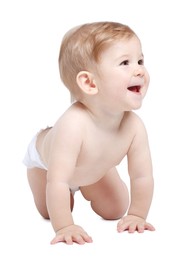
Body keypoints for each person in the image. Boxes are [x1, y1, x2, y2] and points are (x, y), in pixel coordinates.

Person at [23, 21, 155, 245]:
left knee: (116, 209)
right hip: (48, 167)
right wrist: (65, 226)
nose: (139, 70)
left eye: (140, 60)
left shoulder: (134, 126)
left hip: (92, 167)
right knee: (51, 210)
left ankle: (86, 183)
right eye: (125, 62)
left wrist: (137, 214)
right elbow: (58, 181)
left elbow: (141, 176)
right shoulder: (72, 125)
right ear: (89, 82)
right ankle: (60, 193)